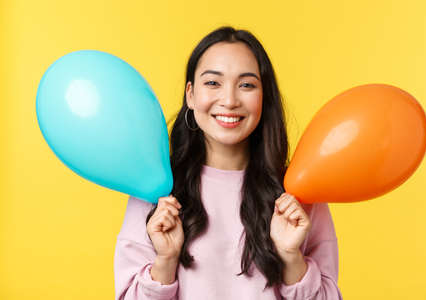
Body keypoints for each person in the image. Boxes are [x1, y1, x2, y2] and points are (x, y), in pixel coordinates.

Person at [114, 26, 343, 300]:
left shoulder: (299, 195)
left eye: (246, 85)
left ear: (263, 97)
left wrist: (291, 258)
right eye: (213, 83)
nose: (230, 100)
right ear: (190, 94)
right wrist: (166, 260)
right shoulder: (155, 190)